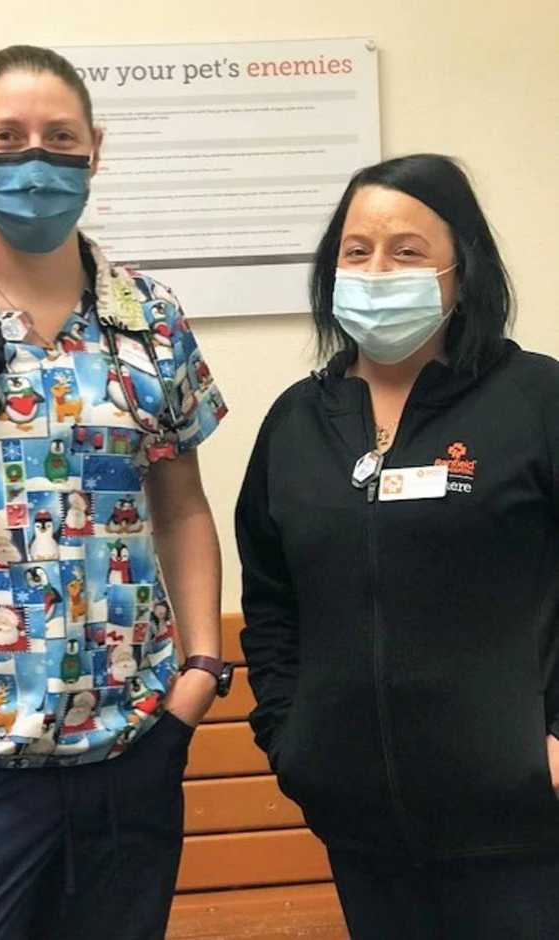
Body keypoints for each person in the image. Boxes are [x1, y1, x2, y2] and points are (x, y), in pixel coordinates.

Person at [0, 44, 231, 940]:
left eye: (59, 138)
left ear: (95, 150)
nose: (35, 159)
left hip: (129, 758)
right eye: (7, 138)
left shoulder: (149, 320)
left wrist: (203, 672)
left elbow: (183, 509)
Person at [235, 154, 559, 939]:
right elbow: (271, 599)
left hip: (525, 833)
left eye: (407, 251)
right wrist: (293, 740)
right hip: (364, 836)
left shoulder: (535, 402)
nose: (377, 270)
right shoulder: (297, 425)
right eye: (357, 250)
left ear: (462, 269)